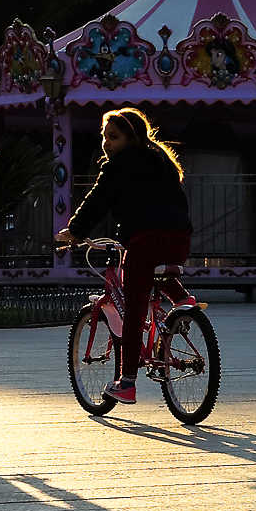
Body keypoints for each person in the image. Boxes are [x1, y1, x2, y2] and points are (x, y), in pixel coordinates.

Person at [56, 108, 193, 404]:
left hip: (146, 239)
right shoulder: (161, 161)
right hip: (180, 237)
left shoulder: (119, 165)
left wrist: (75, 232)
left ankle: (127, 382)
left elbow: (98, 198)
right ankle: (182, 299)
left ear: (131, 138)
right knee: (153, 272)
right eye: (104, 137)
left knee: (132, 311)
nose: (106, 143)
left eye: (113, 137)